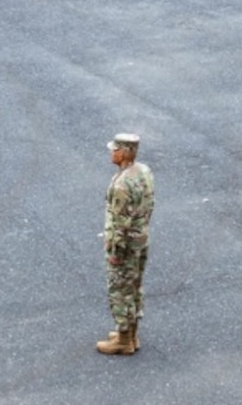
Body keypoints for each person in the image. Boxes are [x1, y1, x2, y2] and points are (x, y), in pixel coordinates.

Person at [97, 132, 155, 356]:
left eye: (115, 150)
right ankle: (132, 333)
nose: (112, 153)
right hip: (141, 239)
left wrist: (115, 251)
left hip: (126, 245)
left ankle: (123, 339)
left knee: (120, 289)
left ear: (123, 153)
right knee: (135, 286)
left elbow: (120, 223)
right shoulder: (144, 172)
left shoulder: (122, 184)